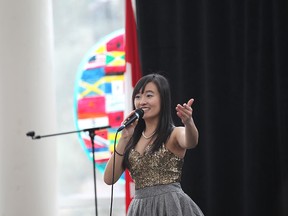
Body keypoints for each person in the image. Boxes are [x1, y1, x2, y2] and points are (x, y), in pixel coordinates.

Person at [104, 73, 204, 216]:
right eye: (138, 97)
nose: (142, 101)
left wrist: (189, 122)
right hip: (139, 208)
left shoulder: (174, 133)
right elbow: (109, 179)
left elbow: (191, 141)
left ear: (163, 99)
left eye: (149, 95)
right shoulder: (131, 140)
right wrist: (124, 138)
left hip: (169, 206)